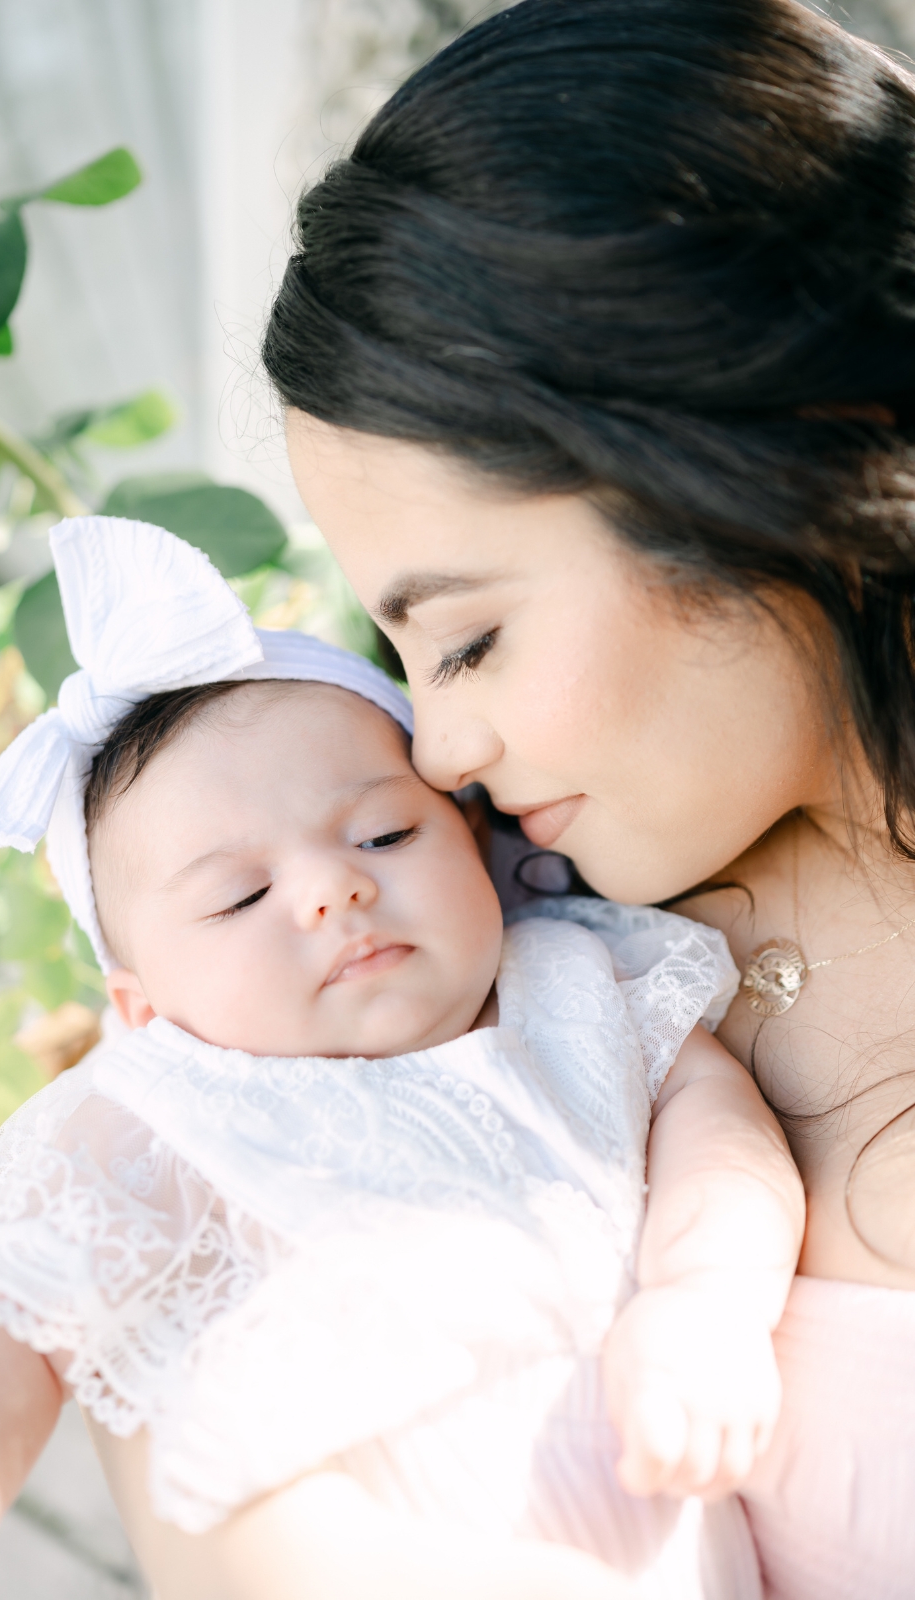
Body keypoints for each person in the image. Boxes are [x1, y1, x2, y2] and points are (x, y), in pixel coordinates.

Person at [262, 4, 915, 1593]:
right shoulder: (527, 954)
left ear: (768, 458)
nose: (436, 749)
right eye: (403, 654)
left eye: (473, 637)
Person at [0, 518, 802, 1600]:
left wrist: (705, 1301)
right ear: (141, 1007)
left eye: (384, 834)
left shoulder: (575, 984)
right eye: (239, 896)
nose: (330, 889)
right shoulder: (171, 1103)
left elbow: (725, 1138)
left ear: (477, 844)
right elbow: (2, 1335)